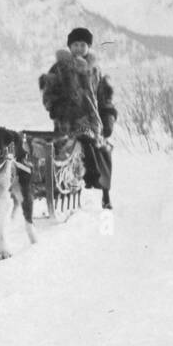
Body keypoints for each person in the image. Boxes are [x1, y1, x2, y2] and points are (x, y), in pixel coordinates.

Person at [38, 27, 116, 209]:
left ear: (88, 46)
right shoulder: (59, 68)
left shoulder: (95, 69)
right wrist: (57, 109)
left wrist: (108, 117)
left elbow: (104, 97)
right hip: (67, 122)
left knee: (102, 153)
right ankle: (67, 186)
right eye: (75, 45)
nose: (79, 48)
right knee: (67, 154)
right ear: (70, 46)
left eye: (83, 45)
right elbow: (49, 94)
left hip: (92, 122)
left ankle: (104, 193)